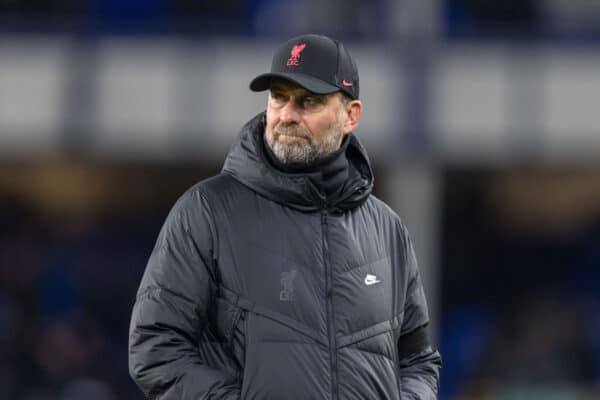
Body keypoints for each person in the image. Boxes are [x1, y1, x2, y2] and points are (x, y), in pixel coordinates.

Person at [128, 33, 441, 399]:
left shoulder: (388, 229)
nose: (287, 115)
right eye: (279, 97)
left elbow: (417, 359)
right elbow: (155, 349)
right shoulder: (206, 212)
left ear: (350, 116)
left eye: (308, 102)